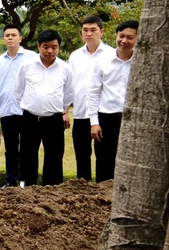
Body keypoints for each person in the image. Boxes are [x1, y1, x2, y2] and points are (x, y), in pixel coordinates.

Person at [15, 29, 74, 187]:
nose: (50, 51)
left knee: (54, 158)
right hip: (30, 118)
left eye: (54, 47)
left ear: (58, 48)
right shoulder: (27, 66)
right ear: (38, 46)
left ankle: (52, 192)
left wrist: (61, 110)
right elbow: (18, 91)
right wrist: (32, 105)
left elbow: (68, 94)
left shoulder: (65, 68)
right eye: (46, 47)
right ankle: (28, 189)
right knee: (28, 156)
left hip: (53, 120)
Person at [87, 20, 138, 182]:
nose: (124, 41)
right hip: (106, 118)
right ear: (115, 35)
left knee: (131, 162)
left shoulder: (142, 62)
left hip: (133, 119)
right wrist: (94, 122)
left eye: (130, 37)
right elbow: (93, 92)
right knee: (104, 162)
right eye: (121, 36)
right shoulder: (103, 61)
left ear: (138, 38)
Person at [68, 15, 115, 181]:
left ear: (101, 31)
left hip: (103, 114)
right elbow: (70, 85)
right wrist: (66, 110)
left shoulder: (111, 54)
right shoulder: (75, 56)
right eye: (85, 30)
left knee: (105, 156)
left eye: (93, 30)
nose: (89, 34)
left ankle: (104, 191)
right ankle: (84, 193)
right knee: (82, 156)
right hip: (80, 113)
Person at [0, 25, 31, 187]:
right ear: (4, 38)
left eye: (13, 35)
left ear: (20, 38)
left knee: (26, 148)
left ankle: (26, 180)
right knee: (10, 149)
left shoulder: (31, 57)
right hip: (6, 110)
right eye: (7, 35)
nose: (10, 38)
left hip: (25, 110)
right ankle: (11, 180)